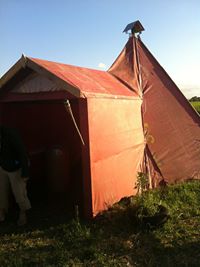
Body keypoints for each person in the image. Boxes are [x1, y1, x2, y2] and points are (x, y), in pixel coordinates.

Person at [0, 126, 31, 226]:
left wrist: (25, 172)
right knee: (1, 191)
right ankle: (2, 210)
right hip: (2, 166)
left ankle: (23, 212)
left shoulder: (10, 134)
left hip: (16, 167)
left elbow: (22, 152)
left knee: (19, 193)